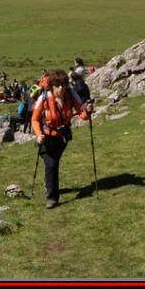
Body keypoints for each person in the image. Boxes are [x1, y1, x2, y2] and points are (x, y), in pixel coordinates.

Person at [31, 69, 93, 209]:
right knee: (51, 164)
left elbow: (83, 115)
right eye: (58, 85)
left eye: (63, 85)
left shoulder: (71, 95)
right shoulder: (45, 98)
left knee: (54, 164)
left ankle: (50, 185)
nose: (61, 88)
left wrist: (88, 110)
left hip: (62, 137)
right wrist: (38, 134)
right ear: (52, 86)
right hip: (45, 137)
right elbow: (34, 119)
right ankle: (52, 198)